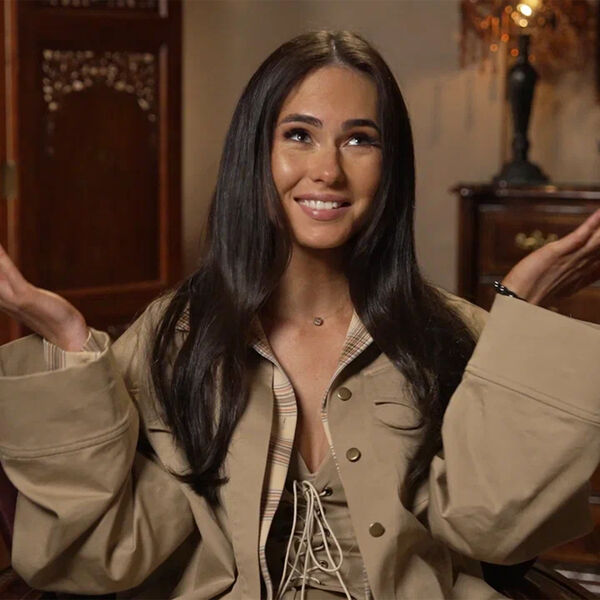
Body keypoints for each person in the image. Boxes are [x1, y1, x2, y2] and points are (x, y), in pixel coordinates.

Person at [0, 30, 599, 600]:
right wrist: (69, 342)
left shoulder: (449, 334)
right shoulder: (176, 336)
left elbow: (499, 532)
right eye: (299, 135)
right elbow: (94, 555)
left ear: (391, 164)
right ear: (256, 152)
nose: (328, 170)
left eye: (360, 140)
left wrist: (520, 315)